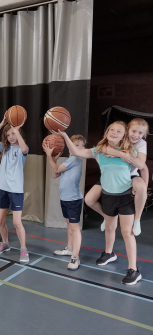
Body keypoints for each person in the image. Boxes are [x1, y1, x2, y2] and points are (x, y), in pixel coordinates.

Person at [59, 121, 141, 285]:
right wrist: (63, 134)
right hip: (108, 196)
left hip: (125, 196)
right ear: (107, 132)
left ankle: (134, 270)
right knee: (110, 227)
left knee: (127, 232)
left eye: (119, 131)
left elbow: (140, 165)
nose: (114, 133)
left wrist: (122, 155)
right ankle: (109, 254)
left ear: (124, 135)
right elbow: (76, 151)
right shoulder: (98, 151)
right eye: (112, 130)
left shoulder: (129, 150)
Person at [84, 118, 148, 236]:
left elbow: (142, 166)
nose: (136, 135)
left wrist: (122, 156)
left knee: (142, 188)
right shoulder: (120, 138)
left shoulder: (141, 144)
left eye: (140, 133)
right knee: (89, 199)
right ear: (127, 131)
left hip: (130, 175)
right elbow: (102, 147)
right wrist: (119, 153)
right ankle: (106, 217)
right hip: (111, 175)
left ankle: (137, 219)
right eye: (133, 131)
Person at [0, 119, 29, 263]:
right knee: (0, 221)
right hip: (2, 188)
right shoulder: (4, 148)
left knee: (17, 222)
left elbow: (24, 149)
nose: (11, 137)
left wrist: (16, 130)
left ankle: (24, 249)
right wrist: (1, 124)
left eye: (13, 134)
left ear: (18, 134)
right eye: (8, 134)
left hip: (15, 190)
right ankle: (5, 243)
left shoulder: (22, 149)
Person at [43, 135, 86, 270]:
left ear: (82, 149)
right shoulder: (69, 160)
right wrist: (54, 159)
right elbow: (54, 174)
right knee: (69, 224)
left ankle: (75, 257)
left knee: (74, 227)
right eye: (73, 144)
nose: (74, 147)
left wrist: (49, 156)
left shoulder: (75, 159)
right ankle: (69, 248)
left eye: (78, 145)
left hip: (73, 199)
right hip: (65, 198)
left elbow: (55, 170)